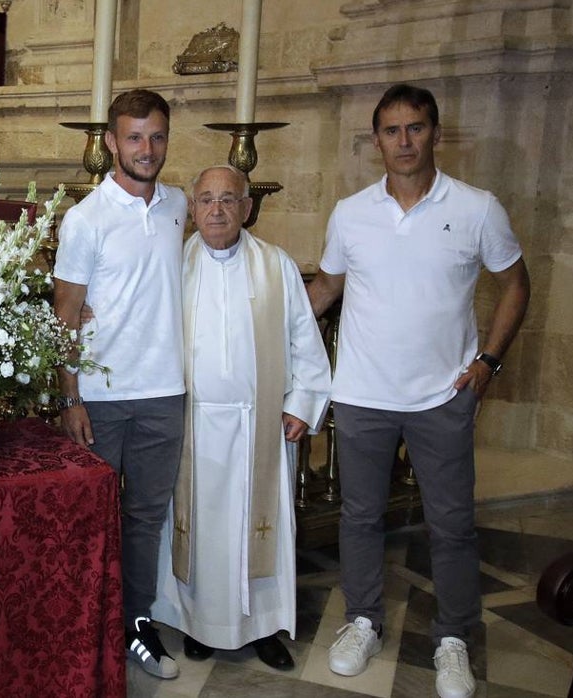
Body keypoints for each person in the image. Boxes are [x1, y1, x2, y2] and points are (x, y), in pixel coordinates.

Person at [309, 84, 530, 698]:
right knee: (358, 516)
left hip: (443, 396)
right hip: (362, 395)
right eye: (391, 130)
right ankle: (362, 620)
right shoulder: (351, 213)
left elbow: (517, 284)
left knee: (453, 525)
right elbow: (323, 291)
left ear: (435, 132)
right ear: (375, 138)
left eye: (415, 128)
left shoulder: (478, 207)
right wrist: (256, 324)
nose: (403, 141)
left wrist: (488, 361)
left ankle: (454, 638)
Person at [150, 165, 331, 671]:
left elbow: (305, 341)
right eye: (206, 199)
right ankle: (199, 623)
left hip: (261, 427)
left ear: (247, 208)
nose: (217, 209)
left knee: (261, 529)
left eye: (228, 199)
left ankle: (264, 627)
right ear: (191, 209)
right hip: (194, 427)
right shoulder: (172, 265)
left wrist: (301, 403)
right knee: (199, 529)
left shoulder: (276, 266)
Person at [51, 88, 187, 680]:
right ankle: (82, 629)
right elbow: (64, 315)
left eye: (156, 136)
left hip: (165, 391)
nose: (146, 148)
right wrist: (70, 396)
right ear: (110, 142)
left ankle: (136, 624)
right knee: (89, 516)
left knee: (146, 518)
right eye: (134, 137)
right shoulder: (85, 219)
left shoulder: (181, 205)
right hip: (100, 398)